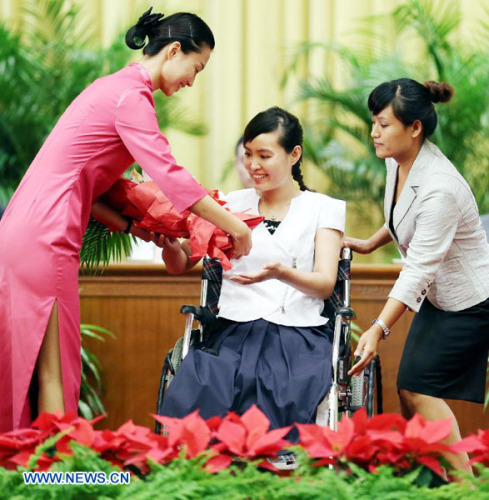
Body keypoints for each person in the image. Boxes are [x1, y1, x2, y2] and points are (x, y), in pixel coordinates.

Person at [0, 8, 252, 432]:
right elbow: (168, 175)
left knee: (37, 360)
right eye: (196, 67)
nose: (192, 80)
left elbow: (92, 186)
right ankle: (57, 480)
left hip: (25, 228)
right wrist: (235, 224)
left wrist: (136, 227)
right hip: (47, 233)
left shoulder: (109, 87)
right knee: (53, 366)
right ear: (174, 51)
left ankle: (34, 477)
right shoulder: (131, 98)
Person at [158, 107, 345, 434]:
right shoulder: (228, 205)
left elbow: (325, 284)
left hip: (298, 331)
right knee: (212, 377)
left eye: (264, 155)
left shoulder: (323, 209)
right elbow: (180, 264)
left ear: (294, 155)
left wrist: (280, 273)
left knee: (280, 382)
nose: (253, 165)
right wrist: (170, 246)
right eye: (247, 155)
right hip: (232, 331)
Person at [346, 78, 489, 476]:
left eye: (383, 124)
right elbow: (402, 215)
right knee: (409, 388)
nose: (374, 133)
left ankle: (464, 488)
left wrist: (377, 328)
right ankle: (447, 480)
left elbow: (419, 268)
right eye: (373, 122)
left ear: (414, 128)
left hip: (471, 302)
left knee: (419, 389)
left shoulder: (440, 188)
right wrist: (372, 242)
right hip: (439, 297)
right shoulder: (399, 160)